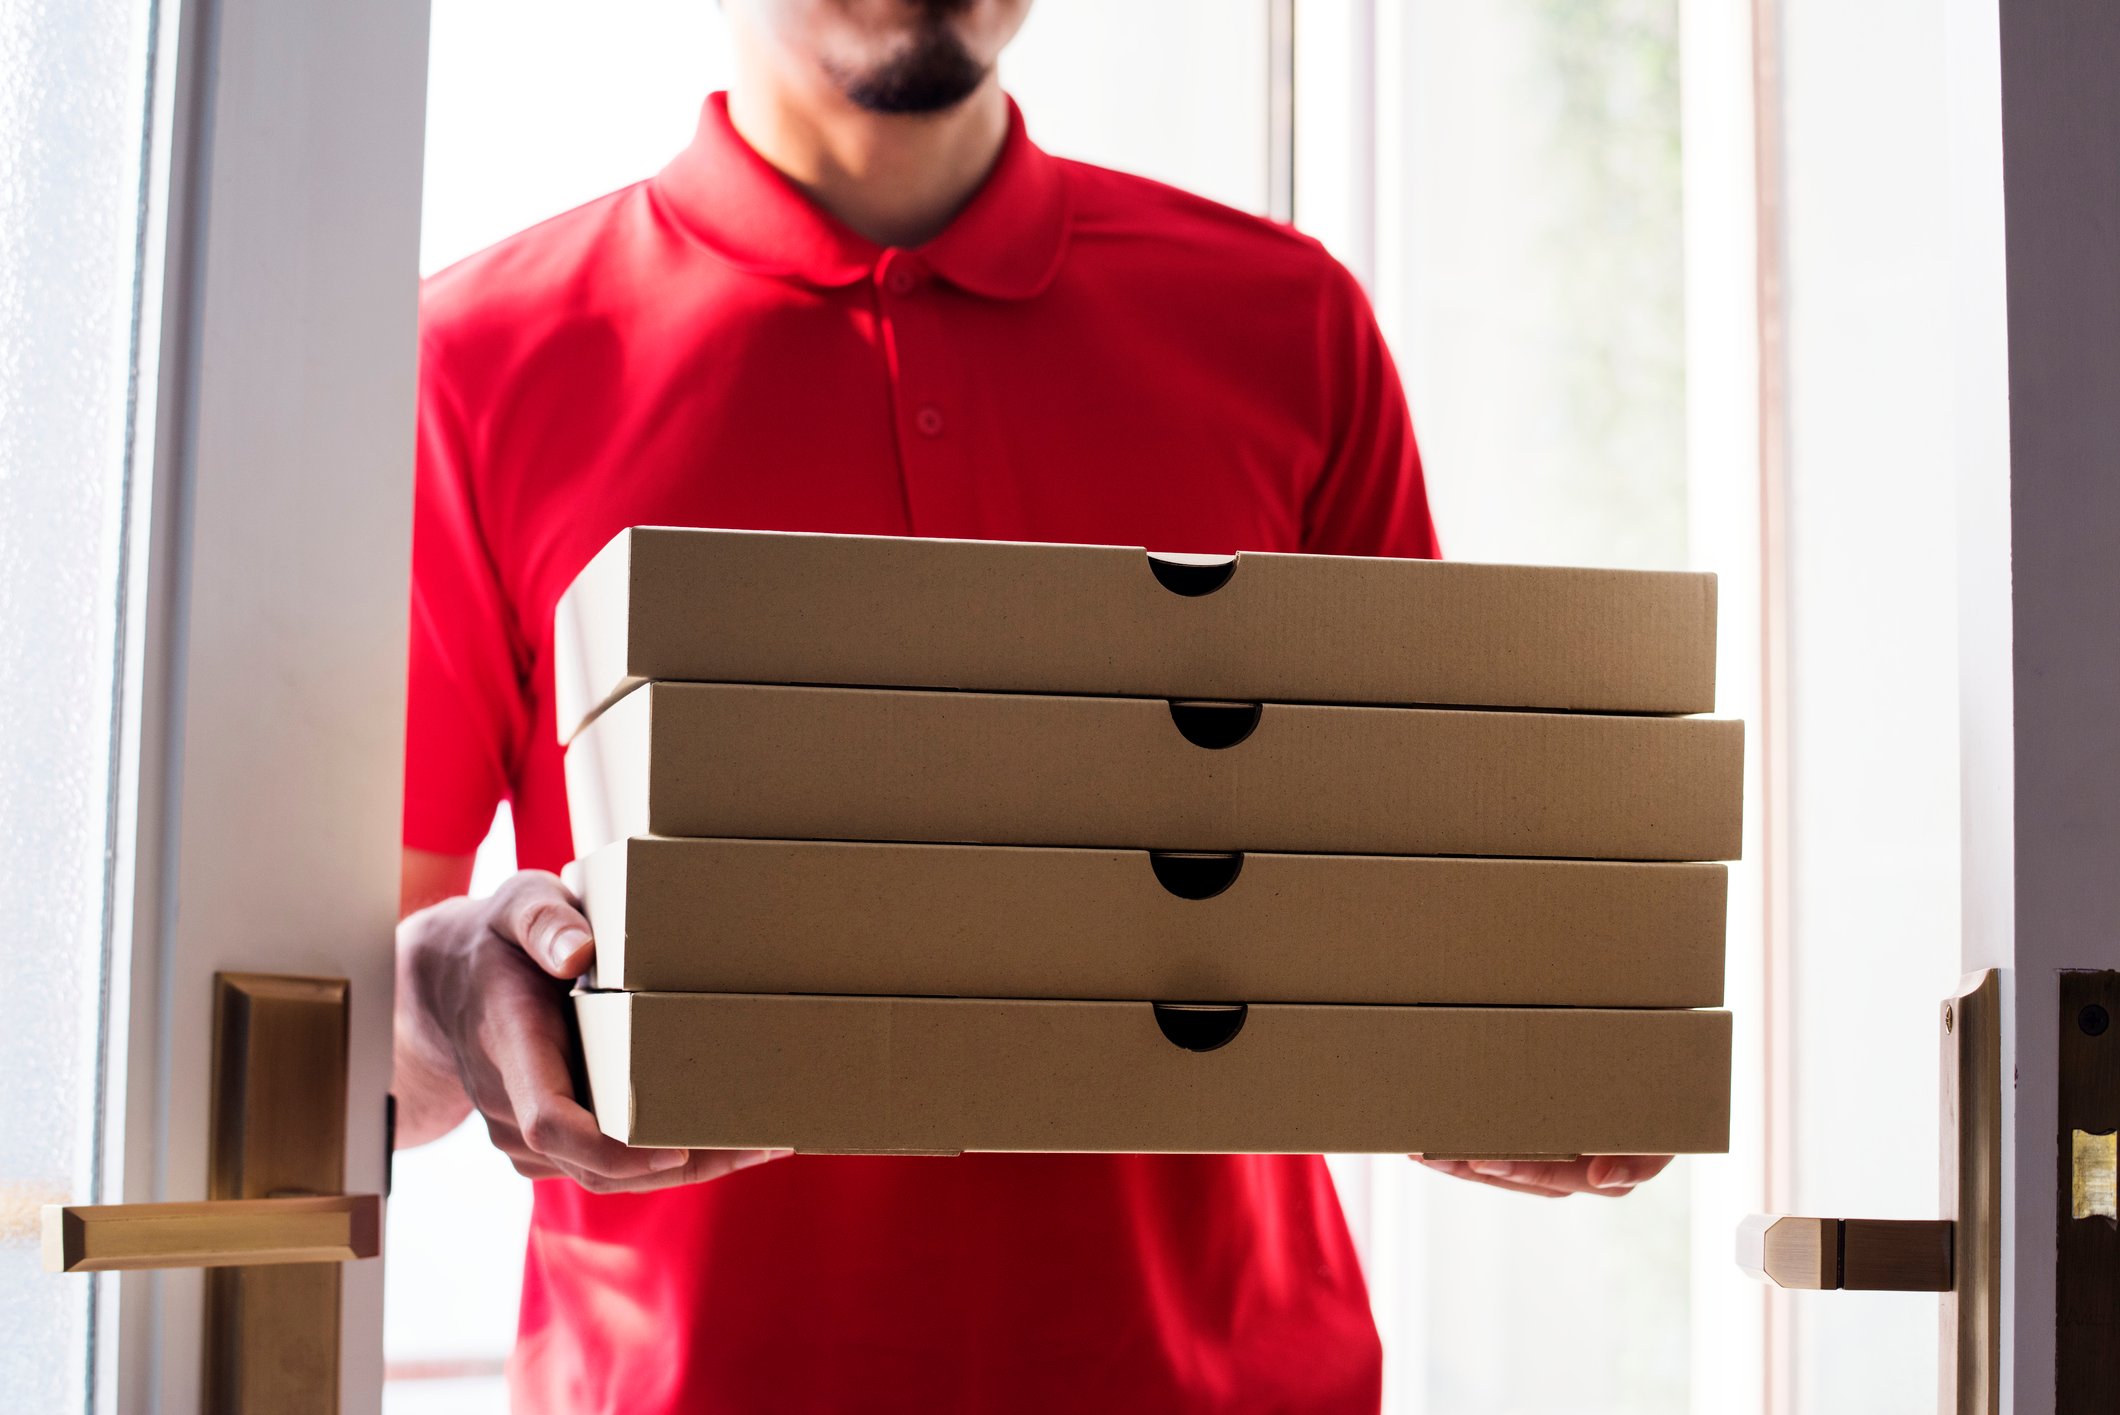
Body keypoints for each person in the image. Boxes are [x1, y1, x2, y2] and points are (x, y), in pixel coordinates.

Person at [392, 1, 1672, 1409]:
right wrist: (437, 983)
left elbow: (1419, 897)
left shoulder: (1287, 323)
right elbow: (352, 1053)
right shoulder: (474, 361)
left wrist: (1549, 1039)